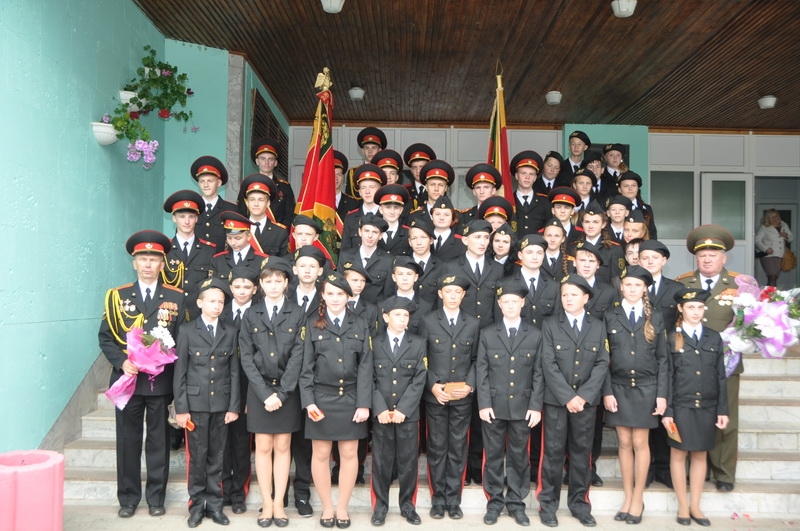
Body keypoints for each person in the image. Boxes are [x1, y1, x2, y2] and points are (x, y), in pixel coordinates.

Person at [99, 230, 186, 518]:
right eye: (143, 259)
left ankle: (156, 498)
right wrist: (122, 362)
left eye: (154, 259)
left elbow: (181, 339)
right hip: (128, 381)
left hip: (159, 382)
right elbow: (106, 338)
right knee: (128, 441)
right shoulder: (118, 296)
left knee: (159, 443)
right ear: (134, 263)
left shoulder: (176, 297)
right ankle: (128, 498)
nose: (148, 264)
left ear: (162, 263)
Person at [299, 272, 373, 529]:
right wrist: (309, 402)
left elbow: (366, 366)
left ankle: (342, 507)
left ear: (348, 297)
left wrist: (364, 403)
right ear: (323, 295)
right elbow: (306, 367)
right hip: (321, 398)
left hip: (351, 398)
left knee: (349, 453)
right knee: (320, 453)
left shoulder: (360, 323)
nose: (335, 298)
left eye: (340, 294)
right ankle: (327, 507)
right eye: (330, 293)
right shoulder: (312, 324)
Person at [238, 256, 305, 527]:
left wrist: (283, 393)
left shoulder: (297, 313)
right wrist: (265, 394)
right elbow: (246, 357)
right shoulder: (251, 314)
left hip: (287, 391)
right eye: (268, 281)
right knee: (263, 446)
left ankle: (279, 504)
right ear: (261, 284)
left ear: (287, 283)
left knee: (283, 446)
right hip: (260, 392)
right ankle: (266, 503)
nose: (274, 285)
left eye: (279, 280)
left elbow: (299, 356)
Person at [537, 274, 609, 528]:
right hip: (556, 402)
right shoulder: (550, 324)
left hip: (586, 404)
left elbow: (602, 362)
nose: (568, 298)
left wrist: (583, 396)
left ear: (586, 298)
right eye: (565, 294)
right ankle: (548, 506)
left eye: (574, 294)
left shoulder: (598, 326)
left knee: (582, 455)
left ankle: (580, 505)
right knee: (553, 454)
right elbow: (548, 363)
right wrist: (568, 396)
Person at [603, 266, 669, 525]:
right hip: (619, 387)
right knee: (623, 442)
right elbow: (604, 358)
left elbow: (663, 359)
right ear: (621, 286)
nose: (632, 289)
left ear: (645, 289)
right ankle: (627, 497)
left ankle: (638, 498)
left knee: (640, 442)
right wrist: (607, 391)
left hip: (646, 387)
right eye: (628, 284)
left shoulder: (656, 316)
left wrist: (661, 394)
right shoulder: (610, 315)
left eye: (637, 285)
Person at [677, 225, 740, 492]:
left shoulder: (739, 285)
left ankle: (723, 472)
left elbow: (749, 322)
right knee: (690, 416)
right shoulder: (683, 283)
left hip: (726, 362)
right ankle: (694, 470)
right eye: (702, 255)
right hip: (688, 363)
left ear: (723, 258)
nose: (707, 259)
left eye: (713, 255)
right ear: (695, 258)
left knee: (725, 417)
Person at [174, 278, 240, 528]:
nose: (217, 306)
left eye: (221, 302)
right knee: (197, 457)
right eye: (212, 301)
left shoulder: (229, 331)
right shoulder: (188, 331)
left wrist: (233, 406)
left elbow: (234, 372)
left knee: (217, 456)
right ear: (200, 303)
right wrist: (181, 409)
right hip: (196, 406)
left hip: (221, 404)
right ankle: (196, 506)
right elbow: (180, 373)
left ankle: (215, 505)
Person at [477, 281, 543, 527]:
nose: (511, 305)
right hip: (494, 407)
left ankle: (516, 504)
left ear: (523, 303)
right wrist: (484, 404)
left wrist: (535, 406)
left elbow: (539, 373)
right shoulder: (487, 333)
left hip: (523, 408)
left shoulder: (535, 334)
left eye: (515, 301)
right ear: (499, 304)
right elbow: (481, 371)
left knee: (519, 457)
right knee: (493, 456)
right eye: (506, 302)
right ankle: (494, 503)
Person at [663, 288, 729, 527]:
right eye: (691, 307)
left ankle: (696, 506)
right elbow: (667, 376)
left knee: (700, 455)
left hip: (707, 407)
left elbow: (720, 376)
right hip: (680, 407)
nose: (695, 312)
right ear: (681, 308)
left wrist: (722, 410)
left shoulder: (713, 337)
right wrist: (667, 411)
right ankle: (683, 505)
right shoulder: (671, 337)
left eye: (700, 307)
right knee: (678, 454)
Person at [418, 275, 479, 520]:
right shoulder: (428, 320)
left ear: (463, 295)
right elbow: (421, 357)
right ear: (440, 294)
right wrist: (432, 385)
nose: (453, 296)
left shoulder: (473, 323)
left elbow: (477, 359)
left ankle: (454, 500)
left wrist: (470, 385)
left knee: (457, 447)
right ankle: (438, 499)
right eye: (448, 291)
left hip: (462, 397)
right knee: (436, 447)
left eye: (457, 292)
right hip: (437, 397)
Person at [369, 297, 428, 526]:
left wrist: (404, 408)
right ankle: (380, 507)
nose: (402, 319)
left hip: (408, 415)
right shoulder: (374, 343)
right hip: (382, 414)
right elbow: (369, 378)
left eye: (406, 315)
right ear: (386, 317)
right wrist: (380, 408)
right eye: (397, 315)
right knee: (381, 463)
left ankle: (408, 506)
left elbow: (419, 378)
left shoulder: (418, 343)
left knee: (408, 462)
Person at [638, 239, 685, 488]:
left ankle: (664, 468)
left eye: (654, 258)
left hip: (669, 361)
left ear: (664, 261)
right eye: (644, 257)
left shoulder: (676, 288)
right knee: (645, 415)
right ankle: (644, 469)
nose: (649, 261)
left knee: (666, 412)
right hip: (641, 361)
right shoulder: (633, 286)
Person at [220, 266, 259, 514]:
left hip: (249, 387)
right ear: (230, 288)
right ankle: (223, 489)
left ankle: (239, 493)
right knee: (222, 442)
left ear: (255, 289)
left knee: (242, 442)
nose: (242, 291)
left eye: (247, 287)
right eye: (237, 286)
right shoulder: (219, 312)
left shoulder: (259, 313)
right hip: (221, 386)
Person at [162, 190, 217, 321]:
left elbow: (212, 286)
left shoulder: (209, 250)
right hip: (170, 315)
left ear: (197, 218)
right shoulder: (165, 249)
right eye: (182, 216)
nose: (187, 221)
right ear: (174, 218)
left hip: (199, 317)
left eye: (191, 217)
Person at [338, 214, 393, 304]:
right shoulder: (346, 256)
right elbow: (339, 285)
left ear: (381, 235)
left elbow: (388, 293)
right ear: (360, 232)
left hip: (375, 310)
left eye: (375, 232)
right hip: (348, 307)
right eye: (366, 231)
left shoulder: (388, 260)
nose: (370, 236)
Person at [191, 156, 237, 251]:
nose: (205, 185)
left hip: (221, 259)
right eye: (202, 181)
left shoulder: (231, 210)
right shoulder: (191, 209)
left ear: (219, 183)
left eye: (210, 181)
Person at [239, 173, 290, 257]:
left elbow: (284, 261)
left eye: (261, 200)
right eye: (252, 199)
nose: (256, 204)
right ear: (247, 203)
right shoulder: (238, 229)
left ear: (268, 203)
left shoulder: (280, 232)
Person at [576, 200, 625, 284]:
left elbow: (616, 281)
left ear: (603, 224)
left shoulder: (614, 249)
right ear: (582, 224)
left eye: (595, 222)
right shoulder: (574, 247)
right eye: (587, 222)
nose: (590, 226)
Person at [341, 164, 387, 251]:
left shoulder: (387, 215)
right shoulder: (351, 218)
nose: (367, 191)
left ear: (379, 190)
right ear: (359, 192)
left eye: (372, 187)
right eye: (363, 188)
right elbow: (345, 250)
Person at [251, 137, 296, 226]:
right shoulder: (248, 185)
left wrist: (280, 232)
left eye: (270, 159)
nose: (266, 162)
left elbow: (290, 215)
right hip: (253, 233)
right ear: (257, 161)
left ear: (275, 163)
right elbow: (242, 213)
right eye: (263, 158)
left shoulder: (285, 187)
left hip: (278, 232)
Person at [210, 212, 267, 280]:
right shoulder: (218, 260)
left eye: (238, 238)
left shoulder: (262, 260)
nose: (233, 242)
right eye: (229, 238)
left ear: (249, 236)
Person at [511, 150, 549, 236]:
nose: (527, 177)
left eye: (531, 174)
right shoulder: (509, 200)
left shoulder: (545, 202)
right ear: (516, 176)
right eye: (523, 173)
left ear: (535, 178)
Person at [407, 160, 456, 225]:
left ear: (446, 188)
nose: (436, 189)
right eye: (432, 184)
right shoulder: (414, 216)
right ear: (426, 187)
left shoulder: (455, 216)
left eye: (440, 185)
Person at [755, 208, 794, 286]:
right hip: (768, 255)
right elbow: (756, 240)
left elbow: (791, 239)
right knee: (772, 276)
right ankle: (771, 293)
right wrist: (766, 248)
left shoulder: (783, 224)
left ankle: (770, 292)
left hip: (780, 254)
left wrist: (786, 236)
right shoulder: (764, 227)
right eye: (771, 217)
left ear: (778, 216)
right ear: (767, 218)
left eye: (775, 216)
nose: (774, 219)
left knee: (775, 277)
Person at [346, 127, 387, 198]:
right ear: (363, 151)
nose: (370, 151)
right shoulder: (353, 173)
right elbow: (349, 199)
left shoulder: (385, 172)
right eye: (367, 148)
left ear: (380, 150)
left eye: (373, 148)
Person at [617, 171, 657, 240]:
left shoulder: (646, 208)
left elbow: (652, 233)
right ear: (619, 189)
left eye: (634, 185)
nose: (630, 188)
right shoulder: (614, 209)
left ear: (638, 188)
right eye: (626, 186)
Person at [374, 184, 412, 256]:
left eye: (396, 207)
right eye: (388, 207)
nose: (392, 212)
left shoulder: (409, 233)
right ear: (381, 209)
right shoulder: (373, 233)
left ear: (401, 210)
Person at [460, 163, 499, 228]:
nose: (481, 191)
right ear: (474, 192)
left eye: (486, 187)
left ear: (493, 191)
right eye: (478, 188)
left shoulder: (501, 214)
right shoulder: (465, 216)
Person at [429, 196, 465, 263]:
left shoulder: (461, 243)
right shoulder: (425, 239)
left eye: (446, 215)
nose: (441, 218)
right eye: (437, 214)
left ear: (452, 218)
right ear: (431, 217)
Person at [402, 143, 436, 210]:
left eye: (421, 167)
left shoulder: (435, 190)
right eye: (415, 167)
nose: (418, 171)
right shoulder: (405, 191)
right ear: (411, 170)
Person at [333, 151, 359, 221]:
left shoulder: (353, 203)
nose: (336, 178)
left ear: (342, 177)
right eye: (332, 174)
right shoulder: (318, 203)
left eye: (339, 174)